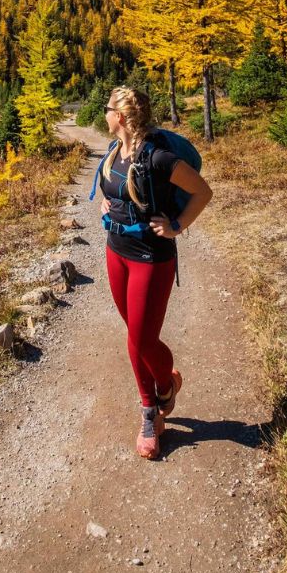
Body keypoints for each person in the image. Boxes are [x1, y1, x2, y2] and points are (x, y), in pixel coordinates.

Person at [96, 85, 213, 459]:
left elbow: (203, 192)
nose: (105, 113)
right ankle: (159, 398)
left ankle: (158, 399)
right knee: (135, 334)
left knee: (142, 340)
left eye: (108, 108)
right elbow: (110, 190)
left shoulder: (158, 158)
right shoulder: (115, 151)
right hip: (116, 252)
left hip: (151, 257)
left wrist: (177, 225)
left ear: (122, 117)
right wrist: (106, 204)